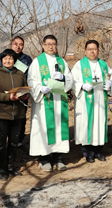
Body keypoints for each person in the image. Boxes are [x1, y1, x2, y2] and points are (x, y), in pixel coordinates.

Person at [27, 35, 73, 172]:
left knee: (59, 129)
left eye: (53, 44)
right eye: (48, 44)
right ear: (43, 45)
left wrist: (64, 77)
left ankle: (58, 158)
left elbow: (70, 79)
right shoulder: (37, 62)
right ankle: (44, 158)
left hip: (59, 101)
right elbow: (31, 80)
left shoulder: (62, 61)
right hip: (44, 102)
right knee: (44, 129)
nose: (51, 46)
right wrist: (39, 88)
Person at [0, 49, 29, 180]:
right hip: (1, 113)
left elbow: (25, 88)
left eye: (10, 58)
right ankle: (1, 168)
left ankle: (11, 166)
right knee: (1, 142)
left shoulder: (20, 73)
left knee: (14, 142)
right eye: (5, 58)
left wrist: (25, 95)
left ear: (14, 60)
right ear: (1, 59)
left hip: (17, 113)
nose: (7, 60)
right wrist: (8, 97)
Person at [71, 40, 111, 163]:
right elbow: (72, 81)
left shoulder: (103, 65)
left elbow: (111, 78)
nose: (92, 51)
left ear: (98, 50)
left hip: (100, 99)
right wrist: (82, 85)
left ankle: (99, 151)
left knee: (99, 124)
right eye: (89, 49)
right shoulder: (79, 65)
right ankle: (88, 153)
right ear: (85, 51)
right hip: (85, 100)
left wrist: (109, 85)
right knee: (87, 124)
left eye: (94, 49)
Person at [0, 36, 32, 149]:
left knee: (21, 118)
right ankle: (3, 143)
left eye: (21, 44)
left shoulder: (27, 59)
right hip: (5, 93)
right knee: (4, 120)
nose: (18, 46)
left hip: (21, 92)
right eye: (16, 44)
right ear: (11, 44)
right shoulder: (3, 56)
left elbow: (30, 74)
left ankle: (18, 141)